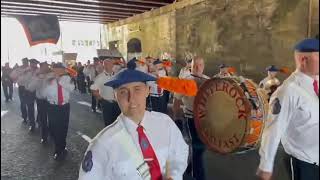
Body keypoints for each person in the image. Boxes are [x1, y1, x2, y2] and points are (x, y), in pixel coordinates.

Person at [78, 60, 188, 180]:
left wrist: (173, 175)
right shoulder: (102, 145)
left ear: (147, 91)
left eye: (137, 89)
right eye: (123, 92)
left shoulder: (165, 123)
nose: (132, 98)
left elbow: (179, 153)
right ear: (115, 96)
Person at [256, 38, 319, 180]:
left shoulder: (316, 82)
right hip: (303, 162)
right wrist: (266, 166)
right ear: (304, 60)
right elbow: (274, 128)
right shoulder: (289, 90)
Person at [173, 56, 209, 180]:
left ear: (203, 66)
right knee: (197, 148)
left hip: (205, 120)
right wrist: (176, 117)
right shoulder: (185, 81)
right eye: (195, 65)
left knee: (200, 147)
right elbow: (176, 100)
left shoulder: (208, 81)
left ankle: (189, 167)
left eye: (200, 65)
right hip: (190, 118)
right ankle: (199, 176)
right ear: (191, 67)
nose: (198, 68)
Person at [44, 62, 74, 160]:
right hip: (52, 106)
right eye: (56, 69)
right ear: (53, 70)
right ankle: (59, 147)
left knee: (63, 127)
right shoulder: (49, 79)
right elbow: (45, 93)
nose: (58, 71)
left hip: (64, 106)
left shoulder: (67, 78)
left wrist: (60, 81)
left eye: (60, 69)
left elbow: (71, 88)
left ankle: (61, 147)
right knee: (54, 128)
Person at [90, 58, 120, 127]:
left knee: (117, 123)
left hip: (118, 103)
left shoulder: (117, 75)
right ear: (104, 66)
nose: (109, 66)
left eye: (110, 64)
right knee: (108, 124)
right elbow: (93, 89)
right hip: (107, 103)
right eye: (107, 64)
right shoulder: (100, 77)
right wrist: (100, 99)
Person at [27, 61, 51, 143]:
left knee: (52, 119)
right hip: (41, 100)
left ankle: (52, 133)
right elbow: (30, 88)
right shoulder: (37, 76)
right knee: (43, 119)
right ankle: (44, 136)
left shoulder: (52, 75)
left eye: (47, 66)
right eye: (44, 66)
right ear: (41, 68)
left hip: (51, 100)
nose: (46, 68)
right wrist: (38, 79)